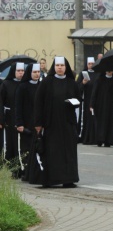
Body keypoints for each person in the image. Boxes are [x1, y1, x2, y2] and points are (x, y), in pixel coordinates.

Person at [32, 57, 81, 188]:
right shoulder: (46, 82)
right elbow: (38, 102)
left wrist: (74, 102)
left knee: (68, 151)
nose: (60, 67)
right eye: (58, 65)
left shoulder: (72, 82)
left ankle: (68, 179)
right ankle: (51, 179)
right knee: (52, 151)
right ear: (54, 67)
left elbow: (78, 99)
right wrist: (38, 123)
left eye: (62, 65)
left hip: (67, 122)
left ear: (66, 67)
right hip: (51, 123)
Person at [15, 63, 41, 180]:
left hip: (39, 123)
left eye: (38, 72)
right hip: (26, 123)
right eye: (34, 72)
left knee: (38, 148)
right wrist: (19, 123)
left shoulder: (41, 86)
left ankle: (36, 171)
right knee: (26, 149)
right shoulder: (22, 87)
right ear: (29, 73)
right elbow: (18, 106)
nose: (37, 74)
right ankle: (26, 172)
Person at [1, 62, 26, 164]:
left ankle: (23, 165)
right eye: (18, 71)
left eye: (22, 71)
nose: (21, 73)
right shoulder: (5, 84)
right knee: (11, 141)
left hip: (24, 117)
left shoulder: (25, 84)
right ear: (13, 72)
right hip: (9, 117)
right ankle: (11, 164)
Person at [90, 70, 113, 148]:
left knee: (110, 122)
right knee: (100, 122)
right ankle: (99, 139)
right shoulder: (99, 80)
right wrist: (92, 104)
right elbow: (94, 92)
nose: (109, 72)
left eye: (111, 71)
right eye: (108, 70)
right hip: (100, 104)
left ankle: (108, 141)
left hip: (111, 105)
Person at [77, 57, 97, 145]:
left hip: (95, 100)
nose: (91, 65)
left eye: (92, 64)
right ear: (87, 64)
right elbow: (77, 88)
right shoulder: (82, 74)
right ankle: (85, 138)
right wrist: (83, 83)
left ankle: (95, 138)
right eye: (89, 64)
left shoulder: (97, 73)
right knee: (86, 119)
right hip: (86, 100)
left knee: (94, 119)